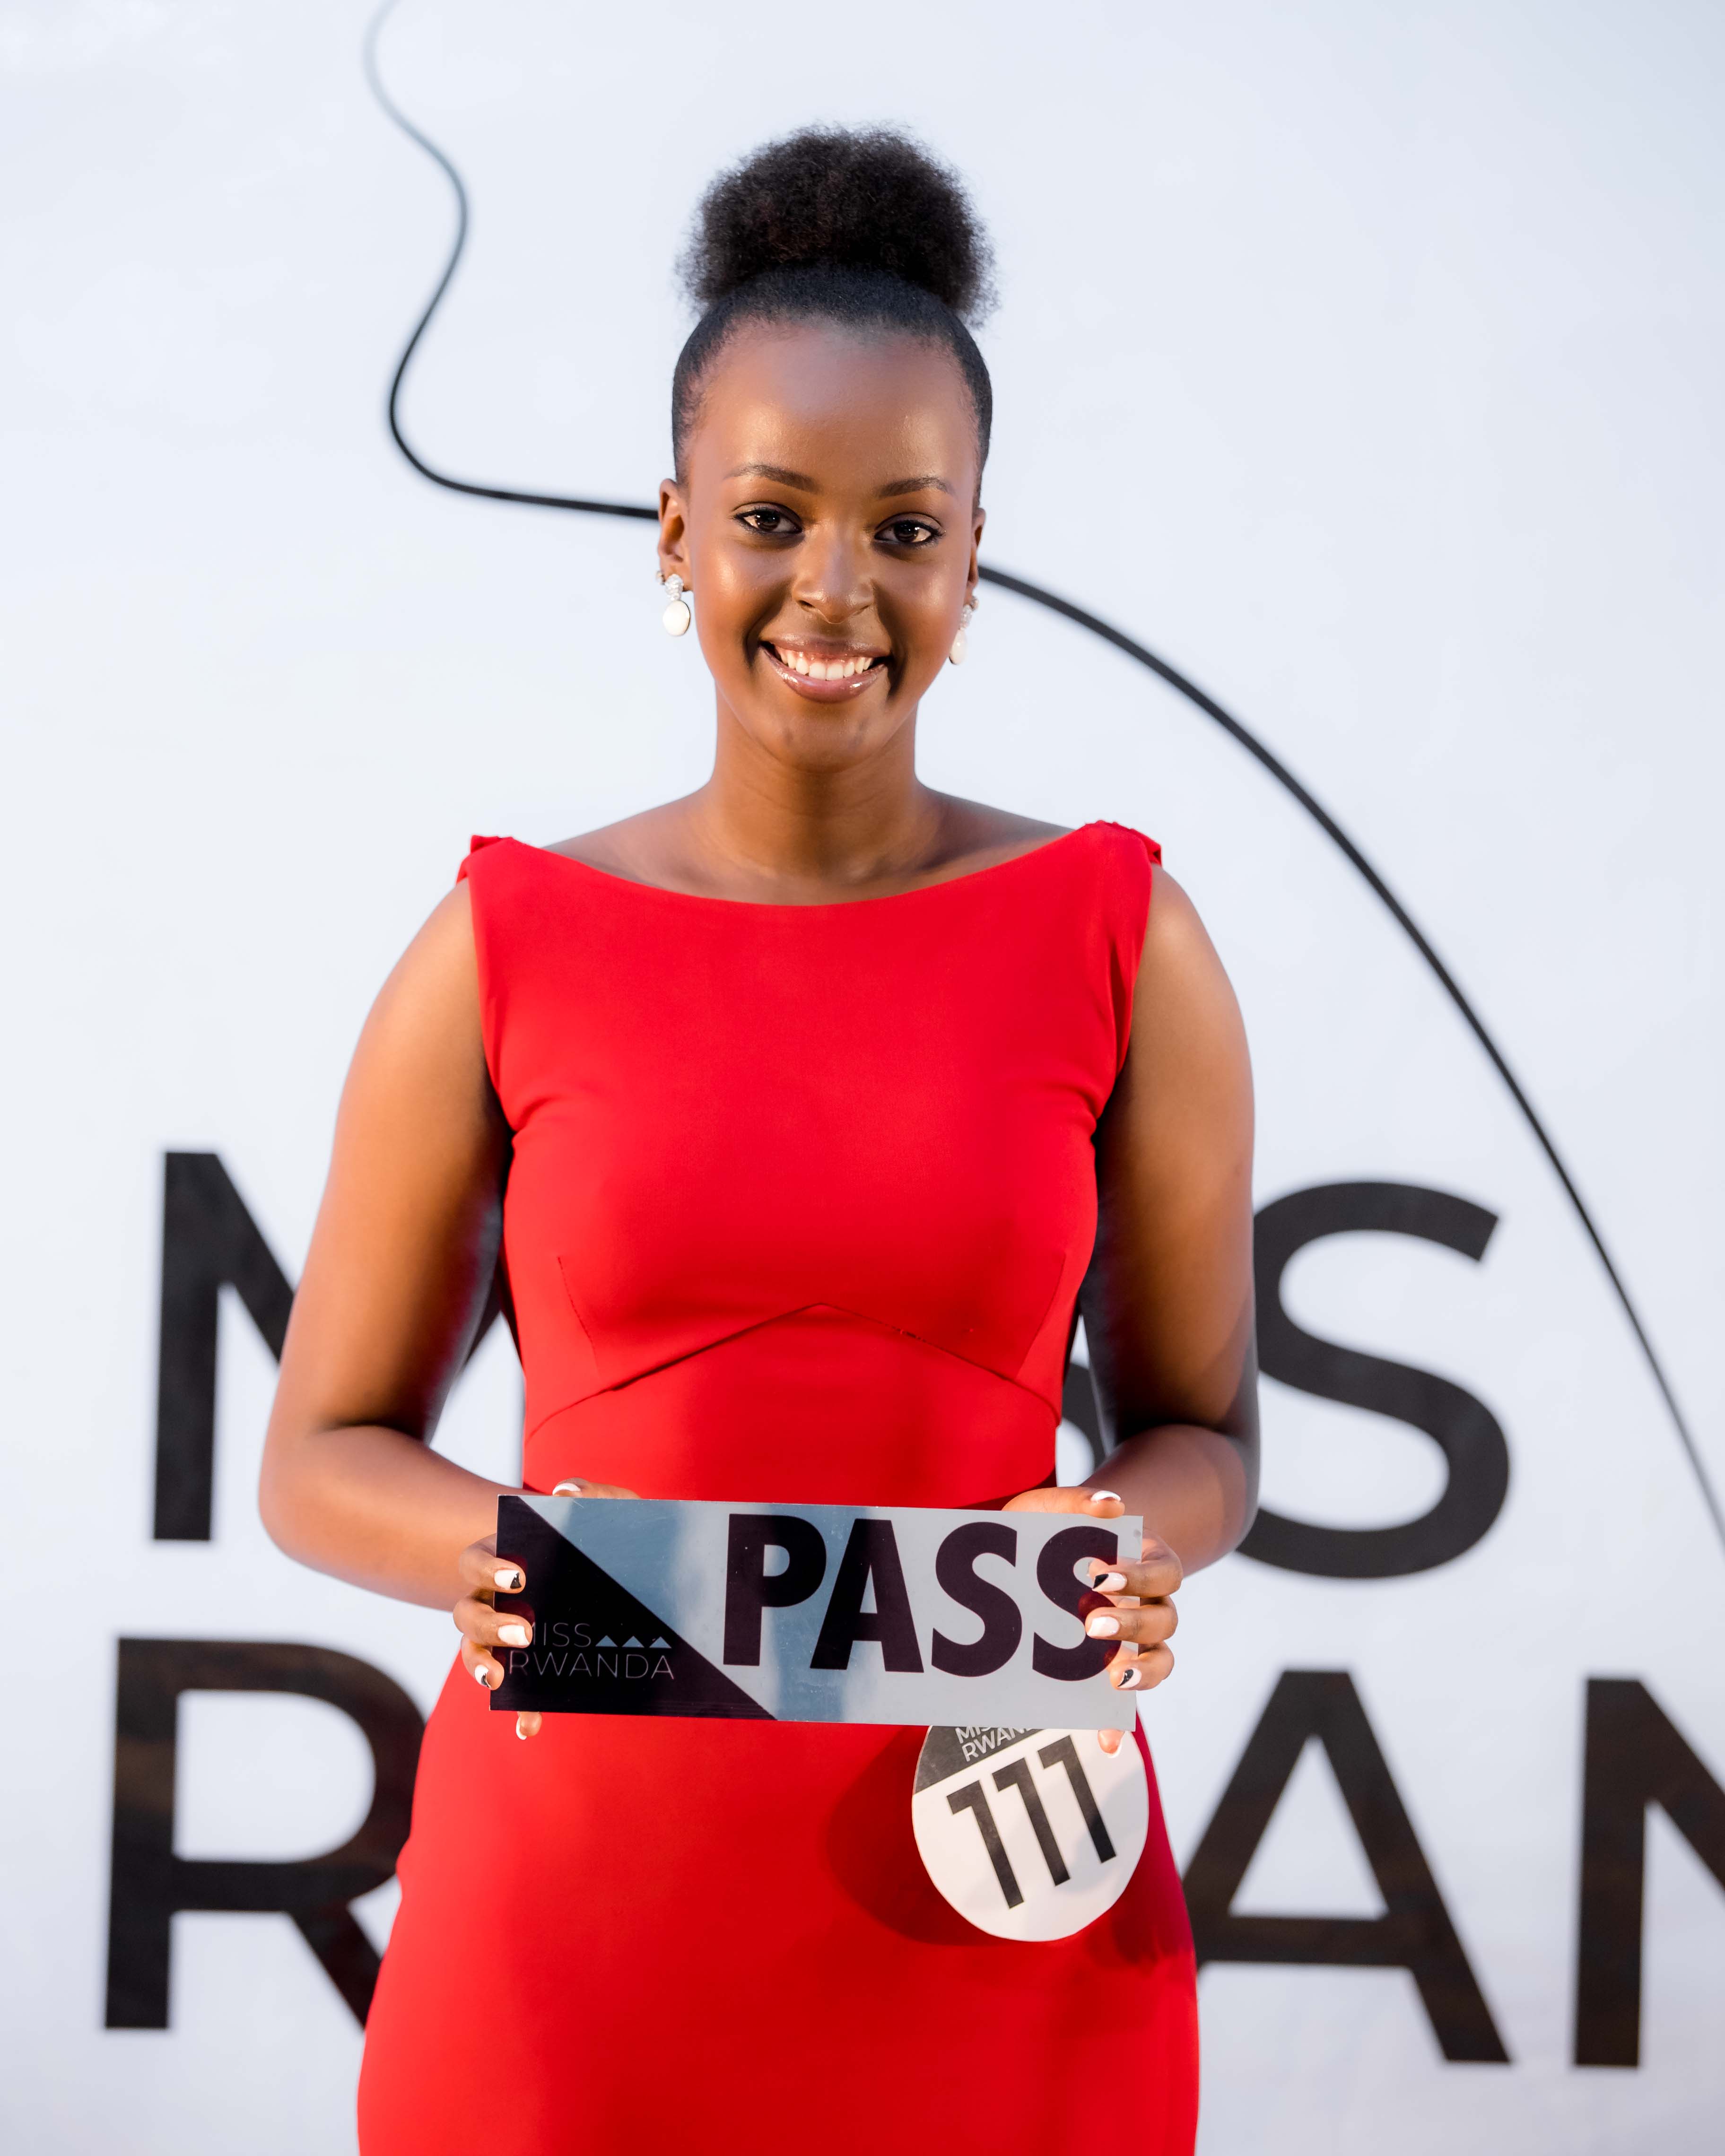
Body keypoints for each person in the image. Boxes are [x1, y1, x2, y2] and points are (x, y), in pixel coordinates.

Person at [261, 126, 1256, 2156]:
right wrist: (530, 1566)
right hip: (573, 1941)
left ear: (973, 555)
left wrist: (1119, 1543)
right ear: (674, 533)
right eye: (771, 517)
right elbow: (317, 1459)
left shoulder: (1122, 936)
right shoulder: (501, 947)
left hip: (1002, 1892)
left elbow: (1206, 1434)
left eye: (905, 528)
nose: (835, 588)